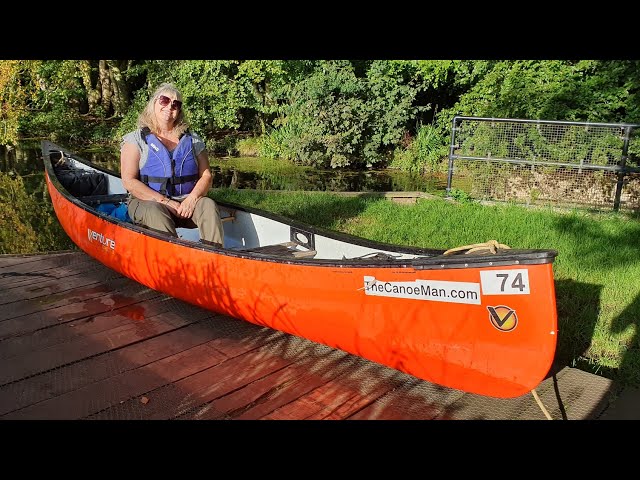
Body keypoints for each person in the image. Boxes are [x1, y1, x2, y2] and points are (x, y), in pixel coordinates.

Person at [120, 82, 224, 247]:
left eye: (176, 104)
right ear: (154, 103)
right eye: (164, 100)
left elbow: (206, 175)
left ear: (179, 110)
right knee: (155, 211)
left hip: (185, 202)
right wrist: (165, 202)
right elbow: (129, 181)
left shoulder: (193, 139)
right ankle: (172, 261)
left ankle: (213, 257)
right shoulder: (135, 140)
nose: (170, 106)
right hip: (148, 202)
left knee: (208, 205)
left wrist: (192, 199)